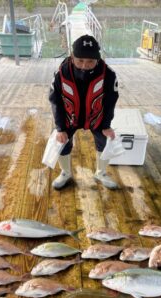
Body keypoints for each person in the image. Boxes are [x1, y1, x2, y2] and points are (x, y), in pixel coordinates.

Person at [49, 34, 119, 190]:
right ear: (72, 56)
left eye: (90, 62)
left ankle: (101, 173)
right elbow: (55, 101)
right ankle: (65, 173)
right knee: (61, 141)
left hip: (96, 117)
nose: (84, 65)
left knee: (105, 140)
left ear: (98, 60)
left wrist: (106, 125)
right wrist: (60, 128)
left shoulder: (109, 74)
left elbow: (110, 102)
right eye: (80, 60)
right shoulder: (60, 73)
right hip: (70, 117)